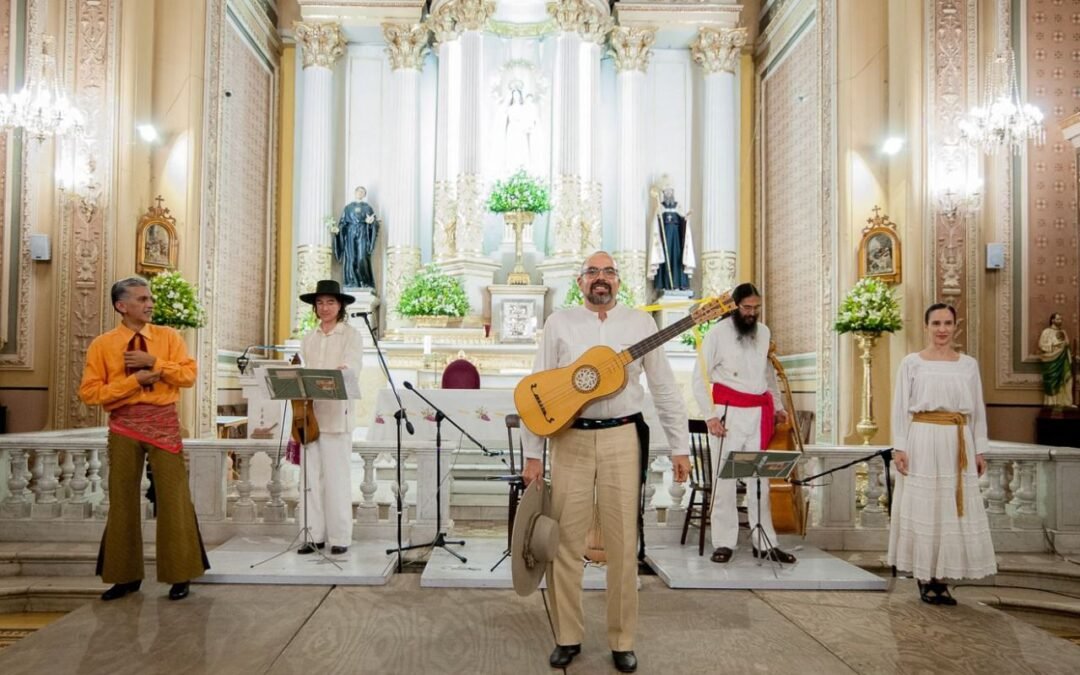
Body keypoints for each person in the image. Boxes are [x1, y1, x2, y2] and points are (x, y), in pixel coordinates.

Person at [520, 251, 691, 674]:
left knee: (622, 542)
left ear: (618, 281)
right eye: (593, 272)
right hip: (570, 439)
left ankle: (622, 639)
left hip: (622, 437)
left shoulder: (639, 324)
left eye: (609, 272)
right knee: (565, 543)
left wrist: (680, 445)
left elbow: (665, 388)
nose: (601, 279)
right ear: (580, 282)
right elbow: (535, 389)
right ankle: (567, 636)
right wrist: (531, 452)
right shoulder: (560, 323)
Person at [78, 276, 208, 601]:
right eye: (141, 299)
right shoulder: (102, 345)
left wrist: (156, 363)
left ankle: (180, 575)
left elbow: (189, 376)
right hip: (123, 426)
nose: (149, 304)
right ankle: (124, 577)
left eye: (150, 298)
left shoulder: (168, 338)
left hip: (163, 423)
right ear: (121, 306)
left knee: (174, 498)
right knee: (121, 500)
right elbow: (90, 393)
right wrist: (134, 382)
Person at [888, 303, 996, 605]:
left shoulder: (968, 365)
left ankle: (942, 578)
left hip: (957, 441)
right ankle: (925, 576)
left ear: (955, 326)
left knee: (950, 506)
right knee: (926, 507)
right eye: (936, 323)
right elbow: (899, 407)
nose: (942, 329)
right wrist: (900, 446)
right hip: (922, 437)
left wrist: (979, 449)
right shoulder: (912, 363)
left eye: (948, 323)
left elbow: (977, 410)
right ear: (926, 326)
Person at [692, 282, 796, 565]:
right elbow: (699, 378)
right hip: (728, 415)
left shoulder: (763, 333)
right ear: (735, 306)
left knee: (759, 479)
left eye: (756, 308)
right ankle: (724, 542)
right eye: (747, 308)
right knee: (725, 479)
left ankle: (765, 542)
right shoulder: (716, 334)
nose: (752, 313)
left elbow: (768, 375)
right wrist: (710, 417)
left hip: (757, 414)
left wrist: (777, 407)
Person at [296, 279, 363, 555]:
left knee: (336, 477)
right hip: (309, 417)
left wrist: (338, 372)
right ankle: (312, 535)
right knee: (309, 479)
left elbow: (351, 370)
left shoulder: (350, 335)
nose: (325, 307)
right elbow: (301, 369)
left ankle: (340, 537)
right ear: (315, 307)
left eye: (330, 302)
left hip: (337, 416)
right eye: (320, 302)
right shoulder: (309, 338)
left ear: (341, 306)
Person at [647, 180, 696, 292]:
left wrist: (686, 218)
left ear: (673, 193)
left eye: (670, 191)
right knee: (666, 258)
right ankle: (665, 284)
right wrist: (658, 219)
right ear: (663, 193)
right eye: (666, 192)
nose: (669, 194)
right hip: (664, 240)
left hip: (676, 239)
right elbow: (656, 224)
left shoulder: (678, 206)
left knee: (677, 259)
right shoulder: (660, 207)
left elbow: (683, 221)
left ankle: (678, 283)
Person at [333, 187, 379, 289]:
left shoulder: (368, 208)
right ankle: (352, 282)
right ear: (355, 193)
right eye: (358, 191)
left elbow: (375, 223)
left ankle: (364, 281)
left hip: (363, 232)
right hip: (350, 233)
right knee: (351, 257)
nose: (360, 193)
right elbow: (342, 223)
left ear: (364, 195)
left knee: (362, 257)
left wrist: (371, 223)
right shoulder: (348, 208)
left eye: (362, 192)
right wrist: (338, 230)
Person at [1039, 312, 1075, 408]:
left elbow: (1067, 344)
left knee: (1068, 379)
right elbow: (1041, 345)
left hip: (1063, 359)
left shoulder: (1063, 332)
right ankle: (1052, 403)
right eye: (1058, 319)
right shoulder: (1046, 332)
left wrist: (1066, 347)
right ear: (1052, 320)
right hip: (1052, 362)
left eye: (1061, 319)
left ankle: (1066, 403)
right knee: (1053, 381)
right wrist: (1055, 346)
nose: (1060, 321)